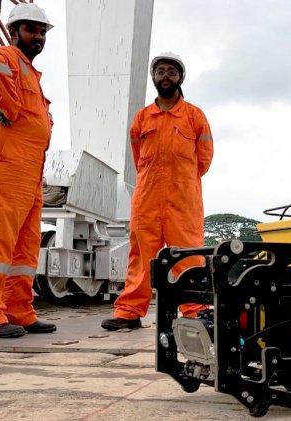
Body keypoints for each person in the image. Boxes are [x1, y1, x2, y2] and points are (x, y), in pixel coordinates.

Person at [101, 52, 214, 331]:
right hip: (147, 197)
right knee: (141, 256)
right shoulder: (142, 118)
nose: (166, 76)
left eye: (171, 72)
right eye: (161, 71)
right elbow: (137, 155)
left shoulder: (194, 116)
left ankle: (195, 310)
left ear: (180, 78)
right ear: (154, 77)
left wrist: (181, 180)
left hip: (183, 199)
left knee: (189, 255)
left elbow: (205, 159)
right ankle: (129, 311)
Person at [0, 3, 57, 338]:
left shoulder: (31, 73)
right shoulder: (4, 57)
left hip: (31, 172)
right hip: (8, 166)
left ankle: (19, 309)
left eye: (42, 32)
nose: (37, 37)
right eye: (31, 30)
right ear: (13, 32)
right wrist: (3, 104)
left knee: (25, 247)